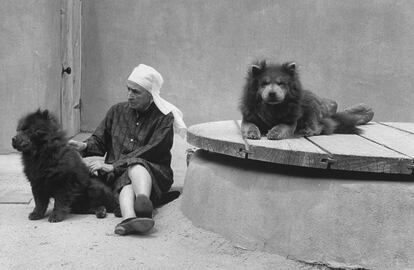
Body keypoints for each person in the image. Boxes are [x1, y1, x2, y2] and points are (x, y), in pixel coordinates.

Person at [69, 64, 186, 235]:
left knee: (136, 165)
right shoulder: (116, 111)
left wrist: (114, 166)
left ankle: (142, 200)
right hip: (119, 176)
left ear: (150, 95)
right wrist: (85, 146)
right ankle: (131, 217)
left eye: (136, 92)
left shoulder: (164, 118)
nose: (129, 96)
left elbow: (152, 150)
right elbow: (99, 141)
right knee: (126, 182)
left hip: (154, 171)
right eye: (128, 90)